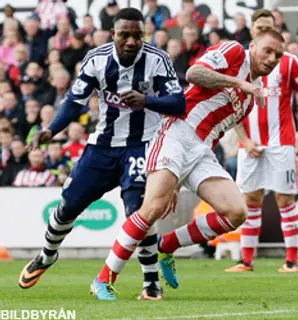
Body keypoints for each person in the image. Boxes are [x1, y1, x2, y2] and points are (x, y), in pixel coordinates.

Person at [91, 29, 286, 300]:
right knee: (153, 208)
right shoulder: (233, 52)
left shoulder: (251, 100)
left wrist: (179, 179)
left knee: (236, 212)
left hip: (201, 150)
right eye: (267, 50)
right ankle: (104, 279)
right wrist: (239, 83)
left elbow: (215, 131)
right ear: (252, 46)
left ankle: (167, 246)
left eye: (278, 55)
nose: (272, 58)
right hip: (177, 132)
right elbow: (195, 73)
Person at [18, 8, 186, 301]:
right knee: (69, 204)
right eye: (125, 35)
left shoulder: (158, 60)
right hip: (103, 146)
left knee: (138, 212)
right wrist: (52, 129)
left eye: (137, 35)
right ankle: (46, 256)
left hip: (143, 145)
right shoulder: (96, 59)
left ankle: (150, 283)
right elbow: (74, 100)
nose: (132, 41)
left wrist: (148, 101)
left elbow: (178, 103)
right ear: (113, 34)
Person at [225, 10, 298, 273]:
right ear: (252, 31)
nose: (263, 31)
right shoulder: (239, 64)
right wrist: (244, 140)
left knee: (285, 200)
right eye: (259, 28)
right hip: (250, 145)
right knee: (250, 201)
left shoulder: (290, 62)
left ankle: (292, 261)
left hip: (281, 142)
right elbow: (233, 106)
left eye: (268, 28)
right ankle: (246, 261)